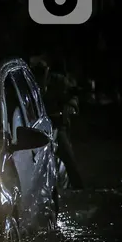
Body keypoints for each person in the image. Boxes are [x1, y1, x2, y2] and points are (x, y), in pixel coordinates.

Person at [30, 52, 84, 189]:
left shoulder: (59, 81)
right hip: (34, 128)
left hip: (56, 125)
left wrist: (69, 107)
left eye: (42, 68)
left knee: (69, 159)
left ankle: (79, 189)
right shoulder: (28, 82)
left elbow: (73, 97)